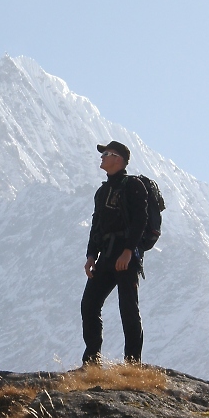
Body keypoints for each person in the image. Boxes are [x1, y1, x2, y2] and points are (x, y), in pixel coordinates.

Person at [81, 140, 148, 365]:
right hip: (106, 256)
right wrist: (91, 255)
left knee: (128, 307)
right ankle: (91, 361)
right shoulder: (102, 191)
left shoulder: (133, 186)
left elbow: (141, 220)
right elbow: (96, 225)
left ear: (117, 159)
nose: (102, 158)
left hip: (125, 256)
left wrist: (129, 251)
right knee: (89, 304)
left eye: (106, 154)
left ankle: (132, 364)